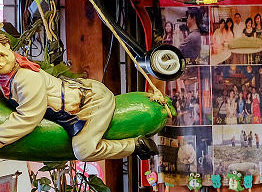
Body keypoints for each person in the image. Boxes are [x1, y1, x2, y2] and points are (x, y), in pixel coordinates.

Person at [0, 35, 156, 161]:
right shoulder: (7, 77)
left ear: (7, 46)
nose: (0, 62)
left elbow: (29, 117)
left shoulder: (26, 78)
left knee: (84, 150)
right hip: (74, 109)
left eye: (1, 54)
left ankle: (136, 145)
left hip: (90, 102)